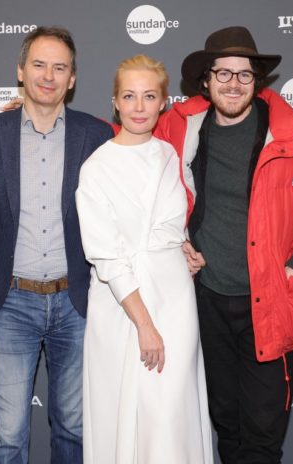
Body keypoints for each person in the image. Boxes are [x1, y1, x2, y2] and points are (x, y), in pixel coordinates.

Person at [153, 27, 293, 463]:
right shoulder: (179, 125)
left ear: (259, 81)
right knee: (226, 423)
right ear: (205, 80)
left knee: (262, 434)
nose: (233, 83)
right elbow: (126, 136)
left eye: (244, 75)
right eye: (223, 73)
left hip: (273, 302)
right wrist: (40, 111)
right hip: (205, 300)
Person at [0, 26, 113, 464]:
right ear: (20, 71)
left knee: (74, 426)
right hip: (11, 302)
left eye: (59, 67)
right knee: (9, 434)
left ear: (72, 78)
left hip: (77, 302)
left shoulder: (99, 135)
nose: (48, 76)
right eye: (38, 64)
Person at [76, 54, 213, 464]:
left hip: (175, 299)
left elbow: (170, 224)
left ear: (163, 102)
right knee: (127, 412)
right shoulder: (96, 167)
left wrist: (184, 247)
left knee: (172, 413)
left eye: (149, 96)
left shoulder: (170, 156)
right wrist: (145, 325)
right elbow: (106, 255)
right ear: (115, 102)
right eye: (129, 96)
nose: (139, 107)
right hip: (123, 307)